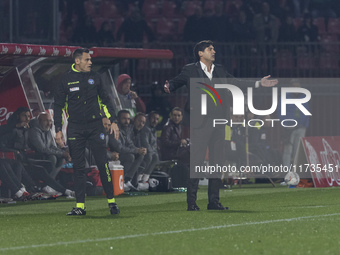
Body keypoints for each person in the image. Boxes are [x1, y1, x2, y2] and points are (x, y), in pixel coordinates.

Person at [164, 40, 277, 211]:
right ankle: (191, 202)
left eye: (214, 48)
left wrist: (258, 83)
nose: (213, 51)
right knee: (197, 162)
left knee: (217, 162)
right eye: (210, 49)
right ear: (200, 53)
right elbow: (176, 82)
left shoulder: (220, 70)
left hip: (220, 122)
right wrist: (169, 86)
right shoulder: (190, 70)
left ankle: (213, 202)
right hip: (201, 123)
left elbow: (236, 83)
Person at [53, 48, 120, 216]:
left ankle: (112, 202)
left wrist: (112, 120)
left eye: (90, 60)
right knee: (78, 167)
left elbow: (105, 100)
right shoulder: (66, 80)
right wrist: (58, 130)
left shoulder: (95, 77)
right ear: (77, 61)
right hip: (75, 127)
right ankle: (80, 206)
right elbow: (58, 106)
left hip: (95, 126)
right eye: (87, 59)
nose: (90, 62)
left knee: (102, 163)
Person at [28, 112, 70, 179]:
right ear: (39, 121)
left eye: (50, 120)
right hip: (35, 154)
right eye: (46, 120)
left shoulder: (48, 130)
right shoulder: (34, 130)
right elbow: (42, 149)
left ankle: (50, 182)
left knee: (61, 158)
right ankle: (46, 181)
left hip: (46, 153)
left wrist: (63, 153)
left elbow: (52, 146)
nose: (49, 123)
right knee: (52, 158)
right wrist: (62, 153)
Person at [116, 110, 146, 191]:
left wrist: (138, 150)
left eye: (128, 119)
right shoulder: (115, 129)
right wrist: (136, 150)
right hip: (114, 155)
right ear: (118, 119)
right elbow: (120, 148)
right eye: (124, 119)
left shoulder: (127, 129)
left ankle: (127, 180)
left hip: (123, 153)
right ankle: (121, 181)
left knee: (141, 155)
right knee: (130, 156)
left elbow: (130, 143)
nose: (126, 121)